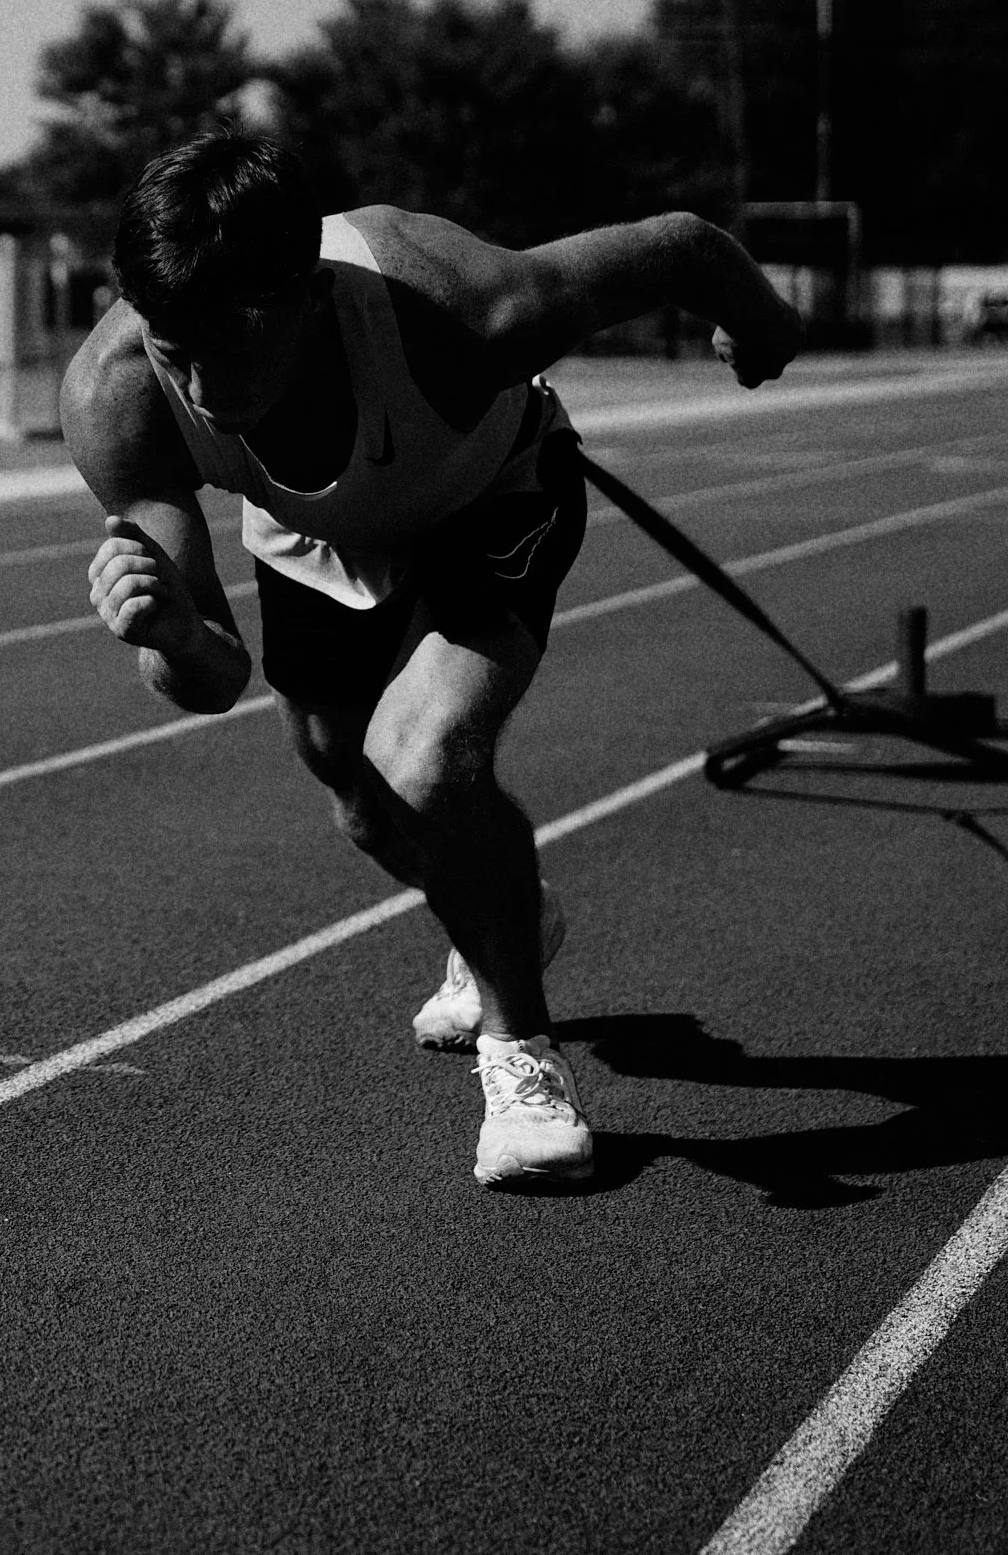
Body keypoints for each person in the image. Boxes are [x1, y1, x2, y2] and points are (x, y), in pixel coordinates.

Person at [63, 130, 801, 1190]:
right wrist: (171, 635)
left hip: (489, 487)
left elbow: (682, 246)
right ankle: (504, 907)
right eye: (181, 350)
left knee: (427, 755)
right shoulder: (118, 394)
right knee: (363, 804)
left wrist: (766, 325)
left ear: (311, 293)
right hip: (315, 537)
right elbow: (215, 676)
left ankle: (522, 1056)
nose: (210, 386)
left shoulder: (458, 306)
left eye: (238, 345)